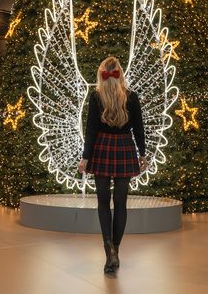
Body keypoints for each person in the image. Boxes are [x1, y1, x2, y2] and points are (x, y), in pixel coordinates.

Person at [78, 56, 147, 274]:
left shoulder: (96, 96)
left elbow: (91, 131)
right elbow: (139, 129)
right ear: (120, 73)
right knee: (121, 203)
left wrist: (85, 157)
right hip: (125, 148)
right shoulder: (132, 97)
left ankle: (109, 252)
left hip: (101, 149)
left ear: (101, 74)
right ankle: (115, 250)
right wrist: (142, 154)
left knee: (102, 202)